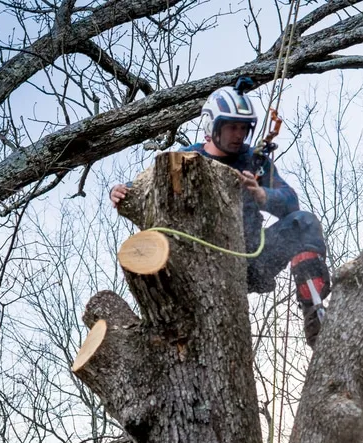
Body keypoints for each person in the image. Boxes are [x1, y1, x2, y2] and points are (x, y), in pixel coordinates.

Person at [110, 79, 330, 348]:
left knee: (303, 223)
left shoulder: (254, 161)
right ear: (212, 125)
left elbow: (290, 202)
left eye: (243, 128)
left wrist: (262, 195)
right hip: (204, 262)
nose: (238, 135)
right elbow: (147, 185)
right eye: (231, 128)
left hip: (252, 259)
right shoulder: (189, 158)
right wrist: (123, 191)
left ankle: (314, 313)